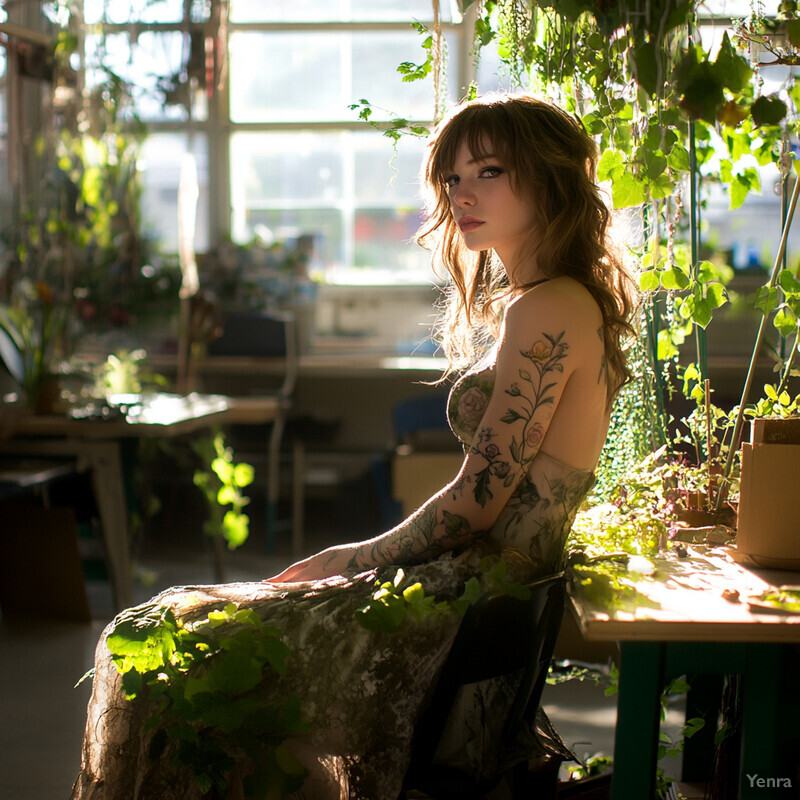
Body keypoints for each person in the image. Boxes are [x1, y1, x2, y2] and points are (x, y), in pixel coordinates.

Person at [71, 93, 637, 800]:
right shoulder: (551, 298)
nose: (462, 193)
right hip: (483, 589)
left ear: (549, 179)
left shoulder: (547, 306)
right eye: (453, 178)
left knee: (163, 638)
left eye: (488, 171)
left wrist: (349, 559)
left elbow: (478, 502)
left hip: (470, 598)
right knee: (169, 631)